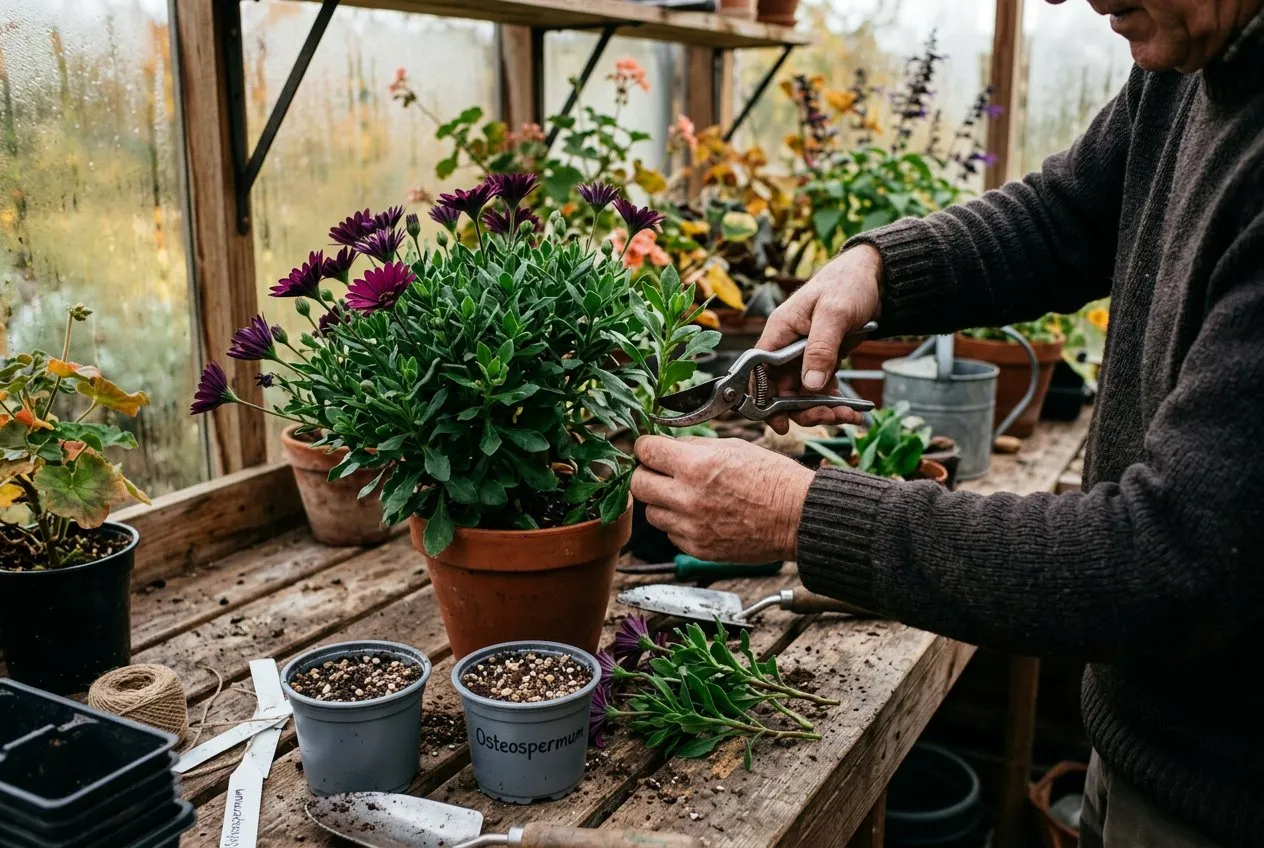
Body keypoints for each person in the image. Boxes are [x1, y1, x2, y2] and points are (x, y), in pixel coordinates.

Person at [630, 1, 1264, 846]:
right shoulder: (1190, 59)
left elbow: (1165, 560)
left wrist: (801, 514)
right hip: (1144, 745)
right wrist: (879, 270)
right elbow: (1069, 214)